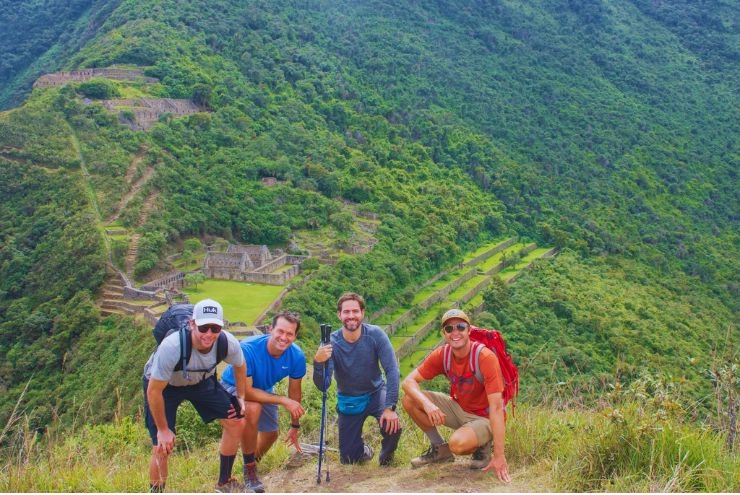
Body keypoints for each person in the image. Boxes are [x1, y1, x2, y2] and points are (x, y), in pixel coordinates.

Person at [143, 298, 248, 493]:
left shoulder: (227, 342)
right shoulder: (172, 347)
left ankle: (224, 482)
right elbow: (154, 390)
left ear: (221, 328)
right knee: (162, 446)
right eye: (203, 327)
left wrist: (241, 396)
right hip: (166, 387)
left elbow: (240, 365)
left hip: (201, 380)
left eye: (215, 329)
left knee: (236, 421)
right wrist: (164, 430)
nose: (209, 334)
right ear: (192, 324)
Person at [401, 308, 511, 483]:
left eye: (460, 327)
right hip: (459, 407)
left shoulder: (484, 358)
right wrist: (427, 404)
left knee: (458, 444)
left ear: (469, 330)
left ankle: (483, 445)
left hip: (484, 417)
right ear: (444, 333)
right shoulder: (443, 355)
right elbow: (408, 382)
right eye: (449, 329)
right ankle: (440, 450)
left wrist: (499, 456)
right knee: (409, 399)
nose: (455, 332)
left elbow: (497, 408)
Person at [220, 311, 307, 493]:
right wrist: (283, 400)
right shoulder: (249, 348)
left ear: (295, 336)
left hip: (264, 389)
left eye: (289, 334)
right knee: (252, 409)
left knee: (271, 434)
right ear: (270, 329)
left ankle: (250, 463)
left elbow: (294, 392)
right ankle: (250, 470)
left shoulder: (296, 356)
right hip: (234, 386)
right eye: (280, 331)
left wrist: (295, 425)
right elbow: (248, 392)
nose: (284, 337)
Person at [313, 292, 402, 465]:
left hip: (376, 393)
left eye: (355, 311)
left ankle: (386, 459)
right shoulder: (331, 342)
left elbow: (392, 370)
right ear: (339, 315)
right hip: (349, 398)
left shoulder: (376, 335)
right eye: (346, 312)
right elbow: (324, 384)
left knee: (393, 427)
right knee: (348, 459)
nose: (351, 316)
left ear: (362, 313)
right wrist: (318, 362)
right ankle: (363, 450)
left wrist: (390, 407)